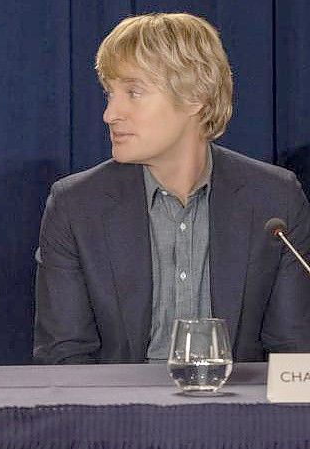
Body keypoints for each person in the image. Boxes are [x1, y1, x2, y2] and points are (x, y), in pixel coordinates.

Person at [33, 13, 310, 364]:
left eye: (133, 92)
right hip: (115, 414)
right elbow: (63, 358)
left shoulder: (275, 200)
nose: (110, 113)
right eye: (109, 93)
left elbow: (295, 357)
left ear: (196, 97)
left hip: (237, 411)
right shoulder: (75, 206)